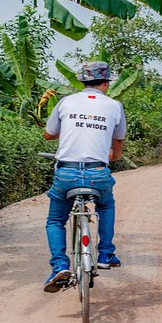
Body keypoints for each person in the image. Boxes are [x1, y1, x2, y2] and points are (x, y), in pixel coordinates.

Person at [42, 61, 126, 293]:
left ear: (82, 81)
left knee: (56, 220)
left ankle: (59, 265)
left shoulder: (65, 102)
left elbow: (49, 134)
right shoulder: (114, 106)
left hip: (66, 172)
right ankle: (106, 254)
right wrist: (113, 156)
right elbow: (118, 141)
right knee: (106, 205)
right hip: (98, 172)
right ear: (107, 83)